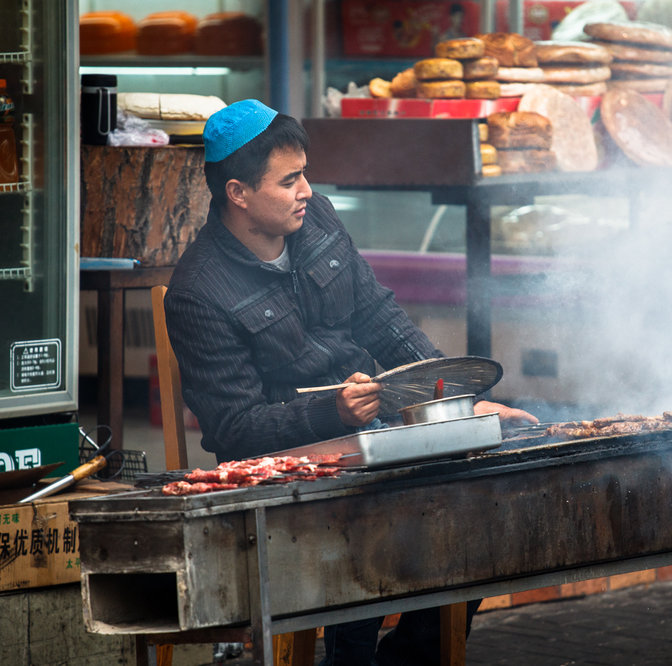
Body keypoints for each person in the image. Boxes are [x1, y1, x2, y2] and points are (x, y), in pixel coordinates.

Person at [164, 99, 537, 665]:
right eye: (289, 181)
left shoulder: (316, 219)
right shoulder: (198, 291)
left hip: (376, 435)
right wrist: (331, 415)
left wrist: (463, 402)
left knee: (487, 496)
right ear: (238, 193)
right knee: (366, 521)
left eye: (305, 173)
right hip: (296, 470)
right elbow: (235, 430)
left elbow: (379, 317)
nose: (307, 190)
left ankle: (408, 658)